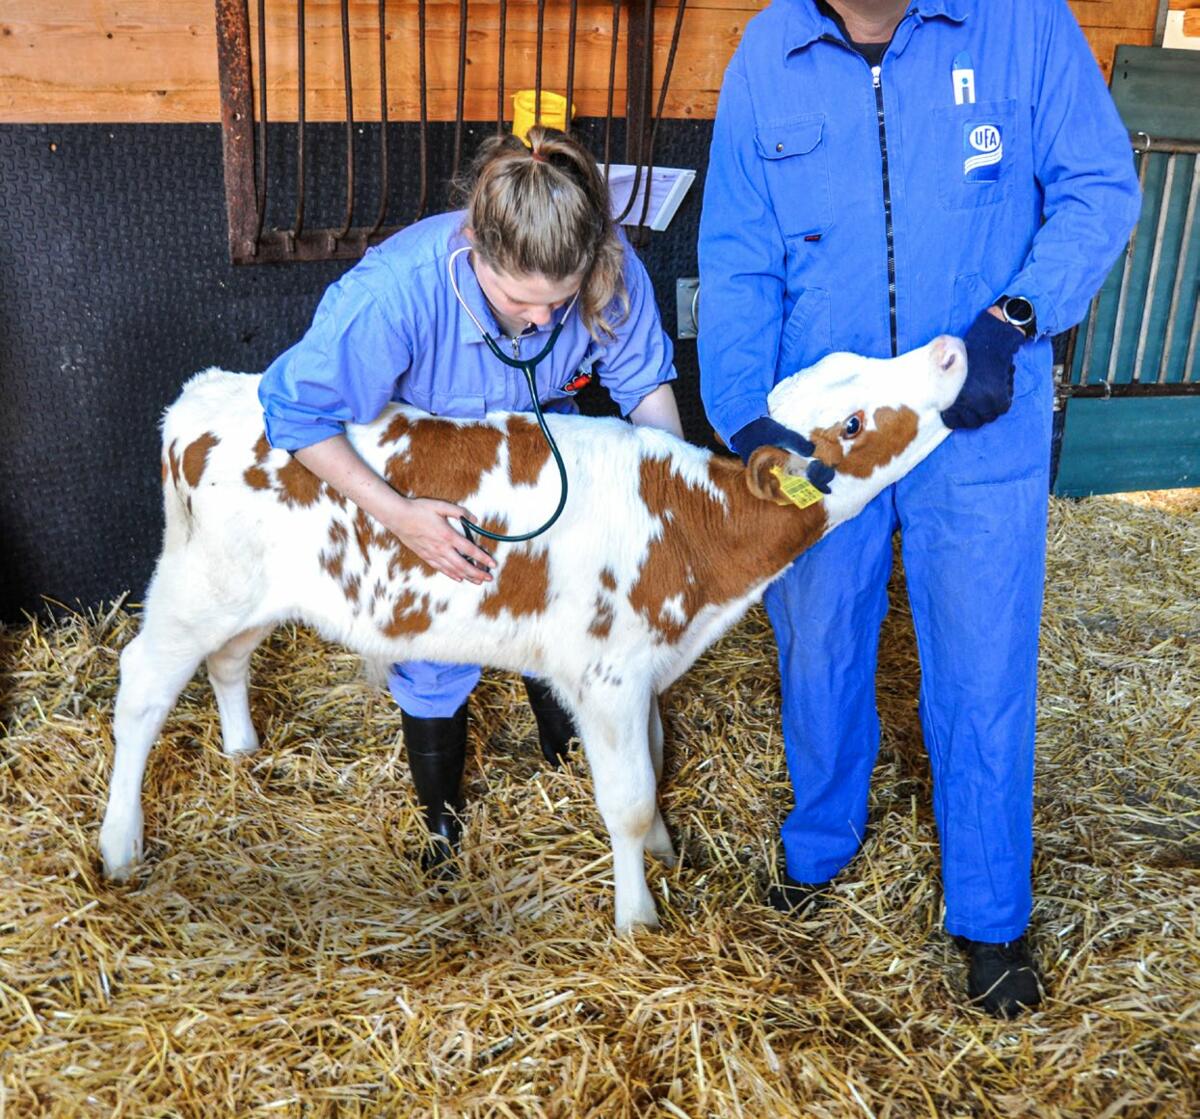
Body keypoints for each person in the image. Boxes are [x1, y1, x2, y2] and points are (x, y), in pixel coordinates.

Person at [698, 0, 1140, 1016]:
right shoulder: (771, 48)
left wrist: (1015, 318)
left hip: (977, 409)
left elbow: (1097, 189)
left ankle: (990, 914)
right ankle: (819, 841)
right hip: (824, 431)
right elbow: (737, 257)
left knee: (983, 662)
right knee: (816, 641)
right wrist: (744, 418)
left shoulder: (1025, 25)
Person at [259, 126, 683, 867]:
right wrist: (399, 518)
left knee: (568, 613)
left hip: (547, 455)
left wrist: (670, 507)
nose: (546, 321)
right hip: (432, 481)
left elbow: (645, 386)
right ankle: (441, 821)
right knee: (436, 654)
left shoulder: (611, 270)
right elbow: (294, 415)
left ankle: (564, 756)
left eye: (563, 299)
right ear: (475, 250)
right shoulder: (395, 294)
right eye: (522, 301)